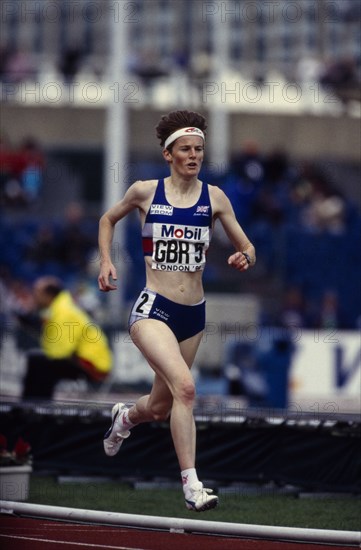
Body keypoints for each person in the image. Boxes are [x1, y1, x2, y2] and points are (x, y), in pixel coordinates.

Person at [98, 110, 256, 512]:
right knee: (187, 389)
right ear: (168, 154)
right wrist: (105, 260)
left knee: (161, 405)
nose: (193, 155)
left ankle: (124, 419)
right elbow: (107, 219)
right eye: (185, 148)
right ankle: (192, 485)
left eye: (199, 149)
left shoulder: (214, 198)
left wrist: (245, 257)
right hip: (154, 309)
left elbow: (248, 247)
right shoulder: (145, 192)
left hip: (193, 316)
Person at [22, 276, 113, 399]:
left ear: (48, 295)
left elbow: (62, 352)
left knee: (40, 363)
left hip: (93, 364)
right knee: (39, 361)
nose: (34, 297)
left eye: (37, 292)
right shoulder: (59, 309)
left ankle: (36, 406)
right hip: (83, 360)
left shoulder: (64, 312)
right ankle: (34, 405)